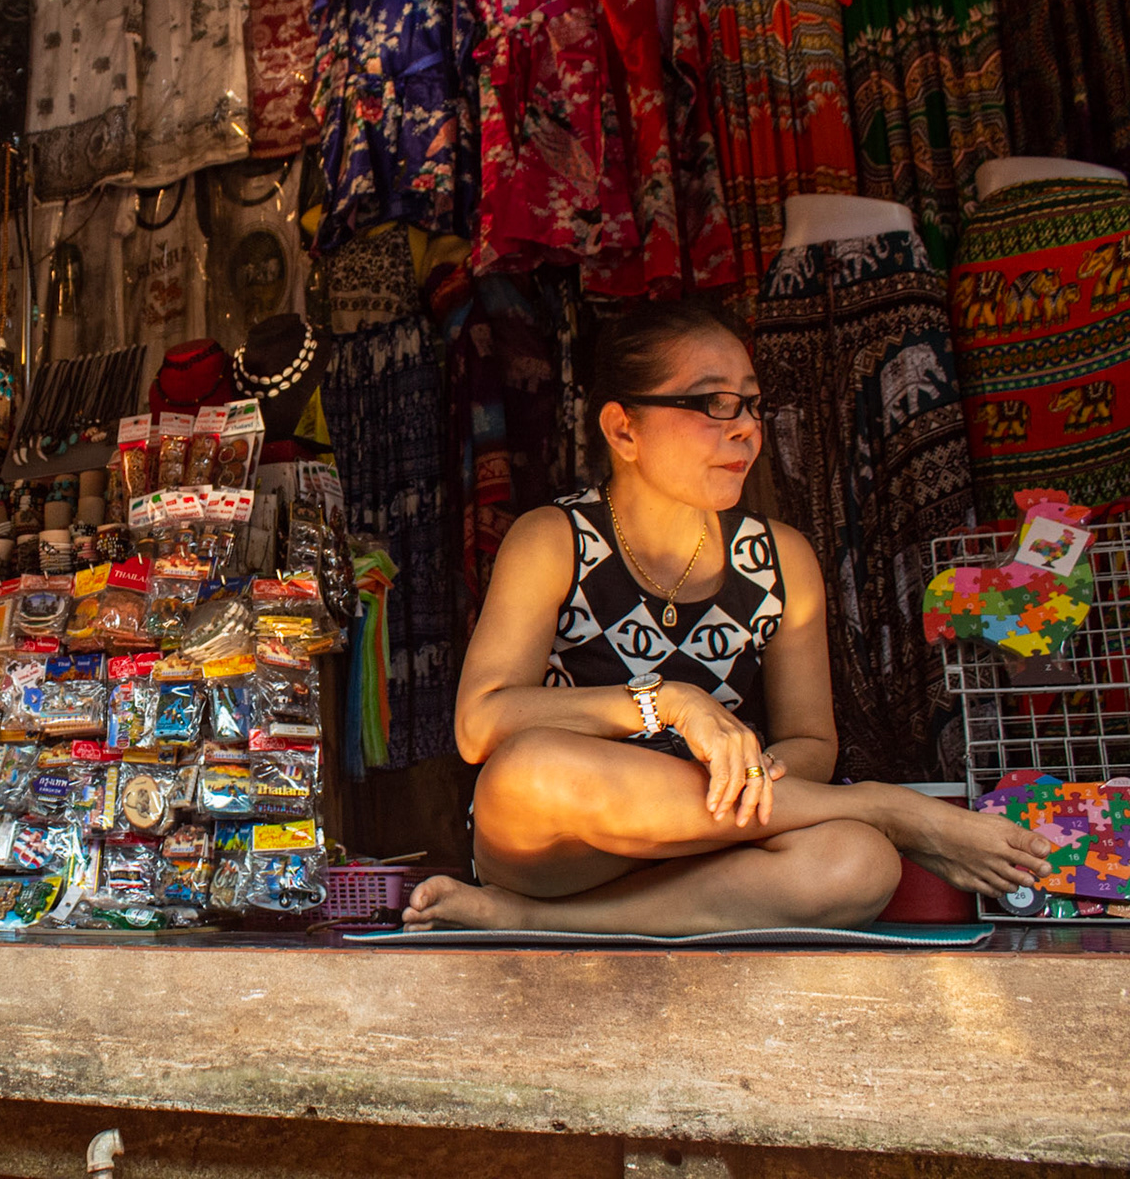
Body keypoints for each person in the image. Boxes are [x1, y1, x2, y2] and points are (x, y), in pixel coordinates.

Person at [405, 301, 1053, 933]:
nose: (743, 428)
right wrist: (670, 703)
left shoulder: (781, 559)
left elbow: (811, 744)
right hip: (561, 840)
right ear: (623, 429)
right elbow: (481, 724)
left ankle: (533, 923)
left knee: (860, 864)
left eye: (749, 404)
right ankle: (886, 806)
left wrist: (732, 783)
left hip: (707, 833)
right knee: (532, 768)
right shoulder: (553, 539)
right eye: (712, 404)